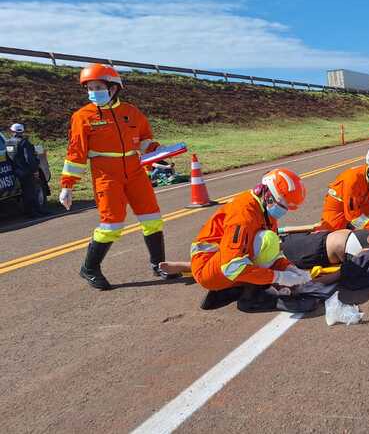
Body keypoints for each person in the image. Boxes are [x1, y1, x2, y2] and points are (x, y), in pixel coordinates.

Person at [58, 63, 175, 290]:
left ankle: (159, 264)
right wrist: (67, 186)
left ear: (113, 88)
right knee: (111, 225)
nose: (93, 91)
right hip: (106, 174)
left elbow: (144, 139)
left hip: (135, 171)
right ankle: (89, 268)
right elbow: (76, 153)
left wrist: (158, 153)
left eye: (97, 86)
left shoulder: (131, 112)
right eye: (89, 87)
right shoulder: (83, 117)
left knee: (152, 219)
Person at [187, 168, 314, 312]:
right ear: (267, 194)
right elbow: (231, 267)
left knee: (268, 241)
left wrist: (289, 268)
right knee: (266, 240)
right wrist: (279, 277)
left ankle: (239, 287)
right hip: (208, 269)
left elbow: (272, 254)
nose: (283, 211)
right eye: (282, 205)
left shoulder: (264, 210)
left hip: (220, 263)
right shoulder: (243, 215)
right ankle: (252, 297)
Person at [161, 226, 369, 294]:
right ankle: (191, 266)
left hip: (314, 247)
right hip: (313, 246)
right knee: (255, 261)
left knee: (255, 261)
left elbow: (344, 272)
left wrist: (310, 282)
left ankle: (188, 267)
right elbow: (343, 274)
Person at [6, 123, 46, 217]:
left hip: (17, 170)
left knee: (25, 191)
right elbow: (29, 159)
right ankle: (32, 212)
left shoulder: (8, 143)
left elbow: (10, 157)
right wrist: (35, 170)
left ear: (12, 131)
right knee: (30, 192)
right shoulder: (24, 143)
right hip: (27, 171)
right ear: (22, 131)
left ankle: (34, 211)